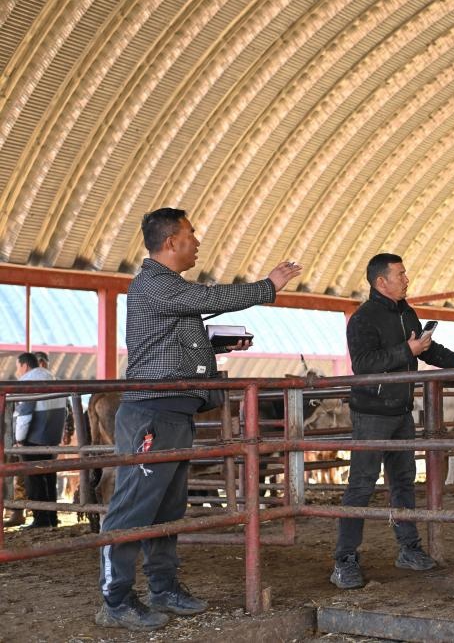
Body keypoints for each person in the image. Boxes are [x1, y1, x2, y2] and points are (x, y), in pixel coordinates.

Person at [95, 208, 301, 631]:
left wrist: (214, 348)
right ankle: (115, 600)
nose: (197, 242)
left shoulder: (168, 289)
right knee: (133, 508)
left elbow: (182, 330)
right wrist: (267, 287)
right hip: (153, 410)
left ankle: (163, 586)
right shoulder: (154, 283)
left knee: (167, 508)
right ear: (170, 242)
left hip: (175, 410)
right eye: (191, 234)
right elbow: (207, 298)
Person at [331, 253, 454, 590]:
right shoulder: (363, 319)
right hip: (372, 415)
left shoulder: (406, 312)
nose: (407, 278)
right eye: (401, 273)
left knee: (404, 482)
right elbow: (364, 364)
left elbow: (427, 350)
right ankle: (344, 560)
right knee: (362, 486)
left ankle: (408, 549)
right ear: (382, 281)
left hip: (401, 413)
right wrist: (406, 350)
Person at [12, 352, 66, 528]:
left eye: (18, 366)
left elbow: (24, 413)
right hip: (52, 436)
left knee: (34, 479)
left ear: (25, 365)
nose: (17, 371)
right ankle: (51, 517)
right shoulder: (53, 378)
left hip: (34, 437)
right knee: (49, 476)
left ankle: (40, 519)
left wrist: (19, 438)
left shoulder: (28, 381)